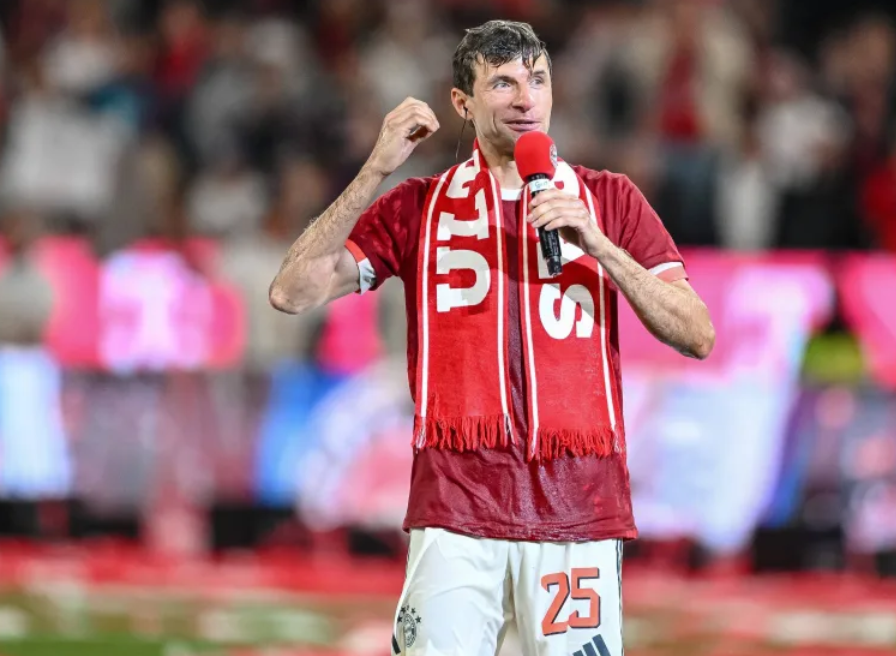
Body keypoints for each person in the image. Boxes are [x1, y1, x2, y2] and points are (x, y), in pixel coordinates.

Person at [269, 19, 714, 656]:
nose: (526, 99)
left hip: (576, 506)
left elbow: (697, 333)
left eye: (538, 80)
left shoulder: (608, 199)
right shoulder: (417, 205)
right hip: (458, 505)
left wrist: (600, 246)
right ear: (462, 102)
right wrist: (374, 169)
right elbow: (292, 292)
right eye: (502, 83)